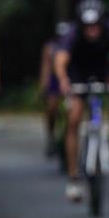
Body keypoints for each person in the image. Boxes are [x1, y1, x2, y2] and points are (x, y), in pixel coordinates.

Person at [53, 0, 109, 202]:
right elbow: (61, 59)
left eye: (95, 25)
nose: (92, 30)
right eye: (87, 26)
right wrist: (63, 81)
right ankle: (73, 178)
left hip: (103, 70)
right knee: (74, 119)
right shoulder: (72, 32)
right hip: (78, 73)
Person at [39, 21, 72, 157]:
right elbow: (46, 67)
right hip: (54, 80)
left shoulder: (73, 44)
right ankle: (51, 136)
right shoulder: (50, 47)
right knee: (51, 108)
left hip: (71, 78)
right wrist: (43, 86)